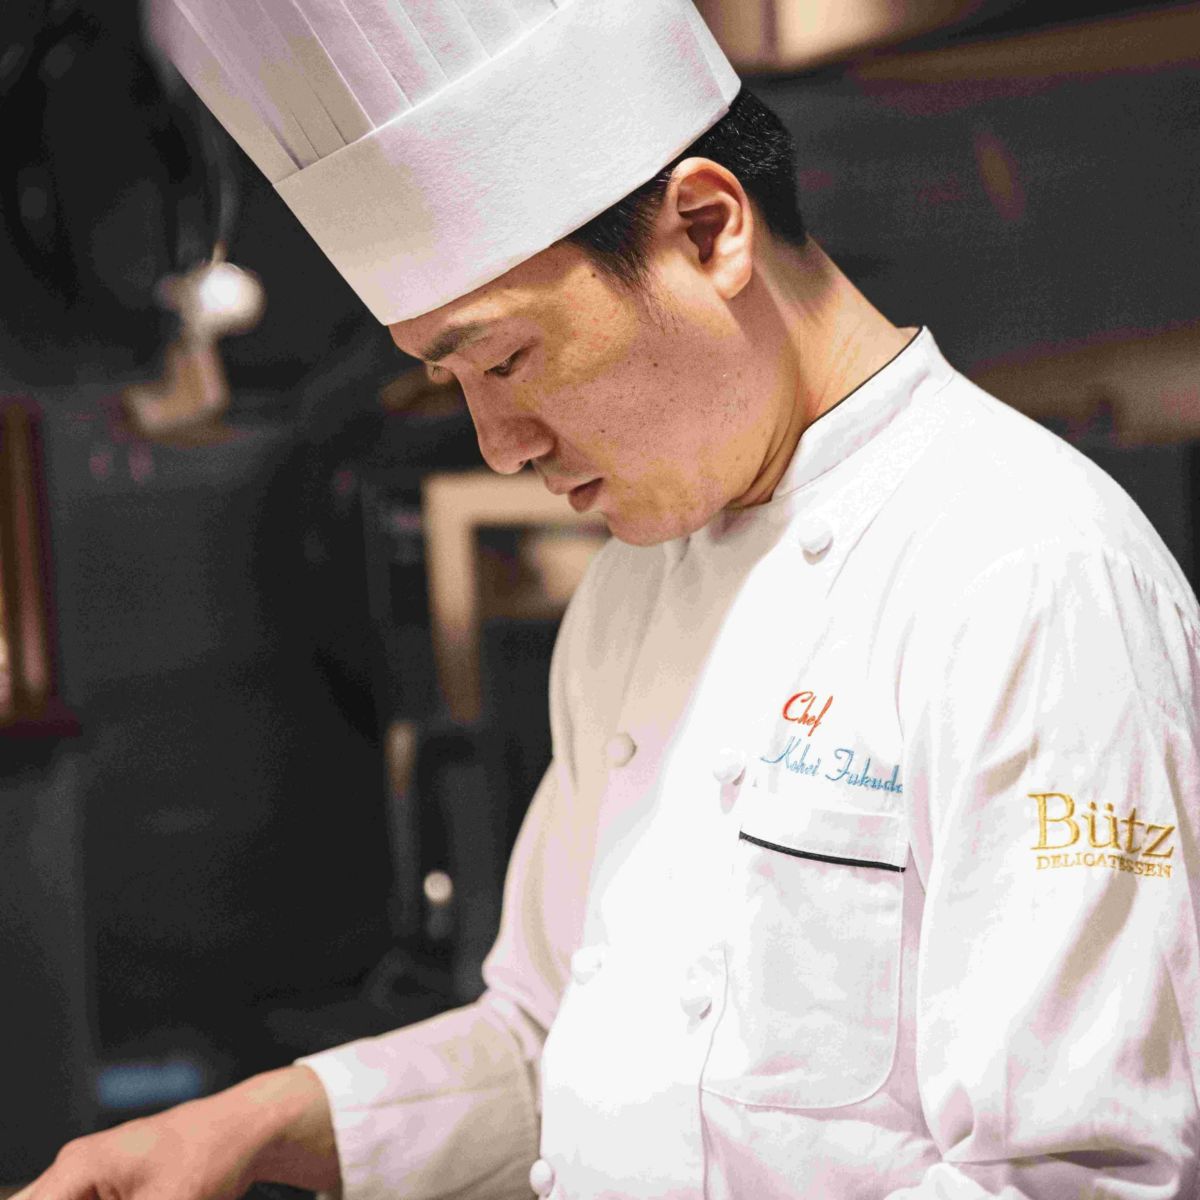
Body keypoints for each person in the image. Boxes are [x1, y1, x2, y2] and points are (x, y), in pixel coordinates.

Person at [18, 1, 1200, 1197]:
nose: (497, 443)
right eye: (453, 379)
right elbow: (558, 1042)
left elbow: (1077, 1177)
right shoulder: (632, 591)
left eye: (506, 359)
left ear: (708, 229)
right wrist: (248, 1128)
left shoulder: (1034, 579)